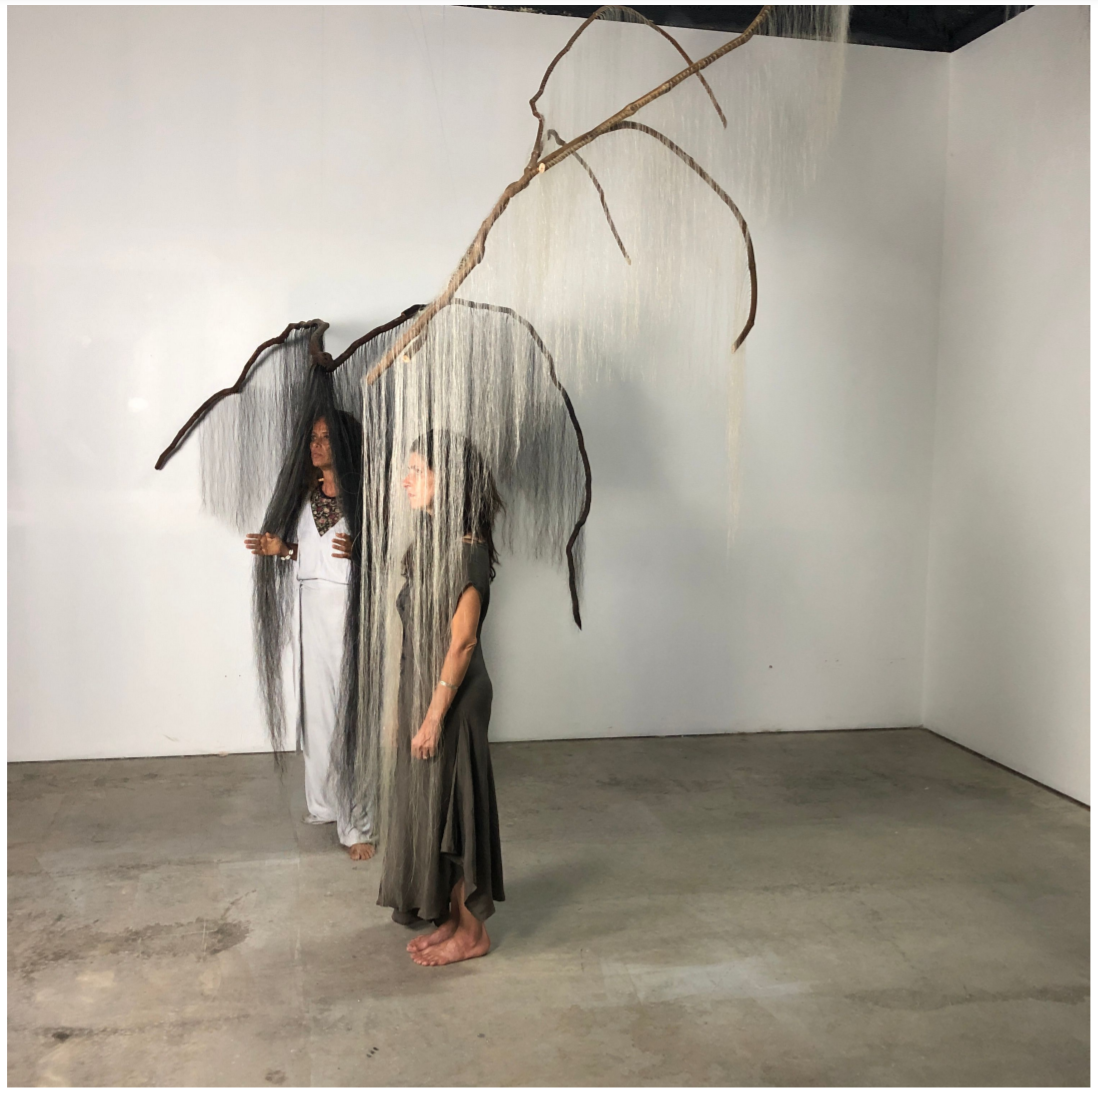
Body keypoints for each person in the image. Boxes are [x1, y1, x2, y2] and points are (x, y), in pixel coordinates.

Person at [377, 430, 505, 966]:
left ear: (449, 480)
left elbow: (462, 643)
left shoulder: (467, 550)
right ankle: (451, 919)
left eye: (419, 471)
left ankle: (473, 933)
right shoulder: (431, 542)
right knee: (436, 810)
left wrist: (431, 719)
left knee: (459, 806)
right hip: (427, 693)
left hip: (454, 700)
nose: (406, 479)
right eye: (406, 469)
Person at [245, 414, 374, 860]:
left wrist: (366, 550)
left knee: (349, 716)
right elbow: (313, 552)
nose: (316, 446)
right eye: (313, 439)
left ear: (343, 443)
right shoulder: (305, 496)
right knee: (316, 713)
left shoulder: (365, 499)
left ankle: (357, 822)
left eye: (325, 438)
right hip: (311, 615)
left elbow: (393, 553)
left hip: (350, 617)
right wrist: (283, 550)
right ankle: (324, 803)